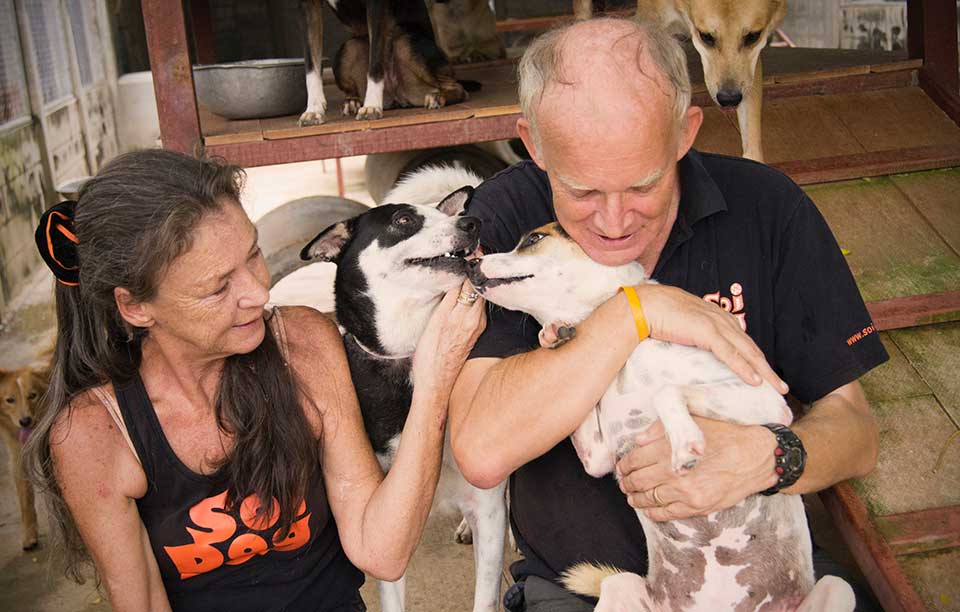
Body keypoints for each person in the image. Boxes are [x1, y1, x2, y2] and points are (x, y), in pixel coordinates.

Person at [449, 17, 887, 611]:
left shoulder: (767, 208)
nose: (614, 220)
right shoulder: (507, 219)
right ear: (534, 145)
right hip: (599, 593)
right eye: (582, 192)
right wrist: (637, 309)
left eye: (643, 186)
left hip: (769, 582)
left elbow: (856, 434)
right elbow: (481, 448)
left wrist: (768, 456)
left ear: (685, 132)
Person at [24, 149, 486, 612]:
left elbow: (382, 550)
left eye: (254, 255)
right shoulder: (95, 433)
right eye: (219, 286)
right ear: (136, 307)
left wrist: (432, 382)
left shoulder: (303, 345)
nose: (259, 293)